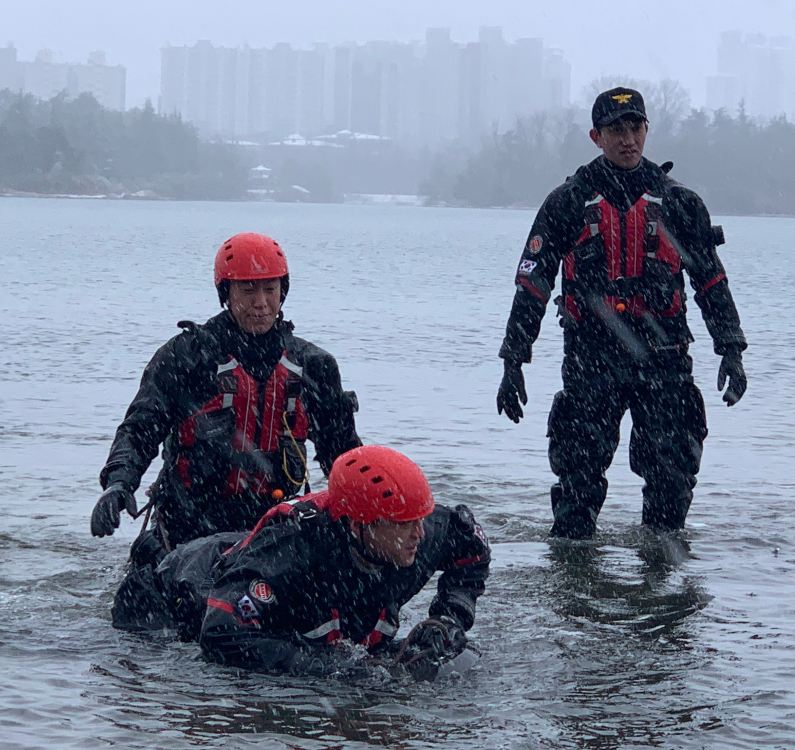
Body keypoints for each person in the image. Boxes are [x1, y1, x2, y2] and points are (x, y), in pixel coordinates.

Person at [496, 87, 748, 539]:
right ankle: (575, 592)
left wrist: (731, 350)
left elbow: (711, 283)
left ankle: (662, 586)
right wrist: (513, 361)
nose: (627, 138)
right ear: (596, 136)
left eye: (635, 127)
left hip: (664, 358)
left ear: (647, 130)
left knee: (671, 488)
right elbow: (532, 286)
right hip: (592, 359)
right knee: (576, 495)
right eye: (616, 130)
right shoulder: (568, 202)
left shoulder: (680, 203)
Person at [92, 232, 361, 564]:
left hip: (271, 526)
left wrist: (373, 514)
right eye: (248, 291)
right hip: (187, 526)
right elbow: (139, 431)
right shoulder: (186, 358)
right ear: (226, 293)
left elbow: (345, 456)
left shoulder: (313, 366)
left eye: (270, 289)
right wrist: (118, 484)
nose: (261, 303)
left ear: (283, 291)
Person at [113, 445, 491, 681]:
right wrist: (333, 669)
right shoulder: (290, 554)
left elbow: (472, 545)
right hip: (172, 593)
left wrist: (449, 619)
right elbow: (221, 634)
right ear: (359, 525)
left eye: (420, 520)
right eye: (404, 525)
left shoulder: (420, 533)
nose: (419, 535)